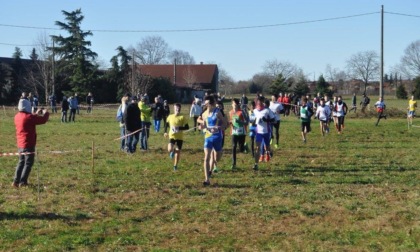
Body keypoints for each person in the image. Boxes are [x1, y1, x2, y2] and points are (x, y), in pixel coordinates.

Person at [12, 98, 49, 187]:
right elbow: (43, 120)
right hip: (28, 143)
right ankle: (23, 182)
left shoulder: (17, 116)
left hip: (20, 143)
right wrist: (46, 113)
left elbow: (29, 118)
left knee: (21, 162)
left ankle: (15, 181)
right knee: (28, 163)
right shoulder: (29, 117)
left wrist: (36, 113)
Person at [197, 95, 228, 186]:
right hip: (208, 137)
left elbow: (224, 122)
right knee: (206, 157)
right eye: (205, 103)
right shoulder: (204, 114)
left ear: (210, 104)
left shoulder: (217, 112)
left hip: (217, 137)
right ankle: (207, 179)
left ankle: (216, 159)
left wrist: (221, 127)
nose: (206, 105)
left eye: (207, 103)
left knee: (217, 157)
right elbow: (201, 123)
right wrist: (201, 126)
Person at [253, 96, 276, 171]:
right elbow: (253, 120)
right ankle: (256, 164)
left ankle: (269, 152)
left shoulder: (267, 110)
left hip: (266, 132)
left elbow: (273, 119)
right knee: (257, 148)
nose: (259, 103)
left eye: (260, 102)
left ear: (262, 102)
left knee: (267, 147)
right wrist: (254, 121)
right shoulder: (255, 110)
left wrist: (266, 120)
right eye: (257, 102)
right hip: (258, 132)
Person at [164, 103, 189, 171]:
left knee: (178, 153)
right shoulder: (170, 116)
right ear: (174, 109)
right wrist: (165, 132)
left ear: (180, 109)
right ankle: (172, 151)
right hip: (172, 135)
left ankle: (175, 166)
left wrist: (179, 128)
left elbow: (187, 127)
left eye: (178, 108)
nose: (177, 109)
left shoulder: (182, 117)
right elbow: (166, 125)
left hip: (179, 137)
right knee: (169, 149)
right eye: (176, 108)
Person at [229, 98, 247, 170]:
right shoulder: (230, 112)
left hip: (242, 132)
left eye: (236, 104)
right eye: (233, 104)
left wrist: (240, 122)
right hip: (234, 132)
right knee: (233, 146)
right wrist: (230, 123)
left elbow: (246, 122)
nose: (235, 105)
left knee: (241, 149)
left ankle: (244, 147)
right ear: (232, 105)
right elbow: (231, 121)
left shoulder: (242, 112)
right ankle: (234, 164)